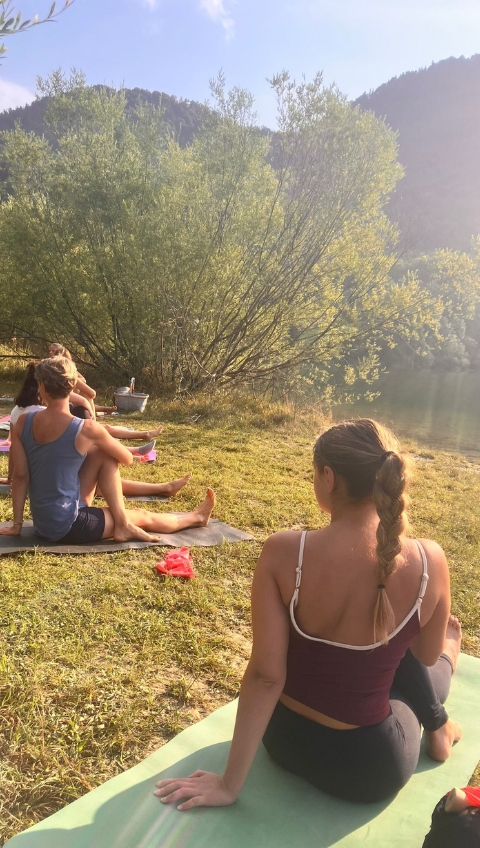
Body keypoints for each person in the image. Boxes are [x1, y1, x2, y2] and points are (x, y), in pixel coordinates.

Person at [154, 419, 462, 810]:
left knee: (386, 646)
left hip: (284, 741)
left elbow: (266, 676)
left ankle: (438, 721)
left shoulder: (284, 553)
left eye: (314, 472)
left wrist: (230, 784)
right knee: (409, 655)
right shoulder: (430, 559)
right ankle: (442, 722)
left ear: (329, 477)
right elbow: (424, 656)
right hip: (369, 769)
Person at [0, 357, 214, 543]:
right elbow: (126, 459)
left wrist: (17, 525)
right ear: (73, 387)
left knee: (100, 453)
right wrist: (95, 441)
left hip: (44, 522)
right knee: (141, 515)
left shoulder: (24, 422)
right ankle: (194, 519)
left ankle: (123, 522)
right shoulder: (87, 428)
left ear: (42, 387)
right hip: (68, 526)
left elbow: (20, 476)